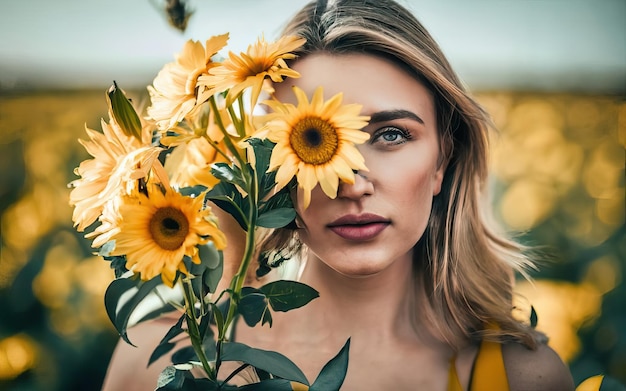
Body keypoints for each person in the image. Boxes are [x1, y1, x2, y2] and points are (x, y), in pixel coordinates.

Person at [102, 0, 575, 390]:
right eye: (311, 141)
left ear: (442, 161)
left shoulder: (523, 377)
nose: (351, 183)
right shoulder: (166, 364)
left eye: (391, 135)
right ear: (269, 169)